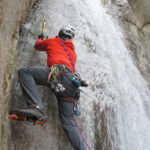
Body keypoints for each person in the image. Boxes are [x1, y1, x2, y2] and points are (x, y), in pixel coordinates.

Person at [11, 25, 88, 150]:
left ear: (60, 33)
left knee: (25, 72)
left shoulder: (52, 41)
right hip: (72, 85)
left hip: (57, 73)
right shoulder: (72, 52)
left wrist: (40, 38)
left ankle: (37, 108)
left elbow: (37, 45)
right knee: (69, 124)